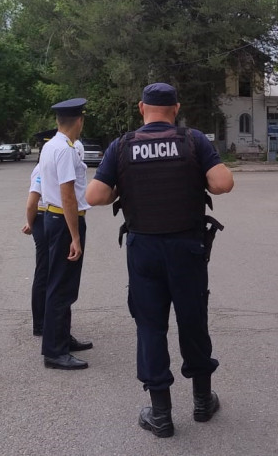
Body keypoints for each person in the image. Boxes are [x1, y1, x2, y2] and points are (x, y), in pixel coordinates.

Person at [86, 83, 234, 439]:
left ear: (142, 108)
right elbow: (223, 183)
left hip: (145, 249)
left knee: (150, 327)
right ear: (176, 108)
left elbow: (95, 195)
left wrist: (125, 183)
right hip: (187, 246)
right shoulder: (192, 140)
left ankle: (161, 414)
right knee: (193, 320)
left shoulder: (121, 146)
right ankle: (201, 401)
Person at [37, 98, 93, 370]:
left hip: (53, 218)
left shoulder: (51, 145)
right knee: (61, 287)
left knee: (61, 284)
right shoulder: (66, 150)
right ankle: (54, 352)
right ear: (79, 121)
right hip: (63, 221)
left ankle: (61, 338)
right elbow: (67, 194)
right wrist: (75, 236)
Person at [22, 129, 57, 338]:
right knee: (44, 271)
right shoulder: (41, 170)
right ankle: (40, 324)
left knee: (51, 270)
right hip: (44, 219)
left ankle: (49, 319)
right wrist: (31, 221)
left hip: (45, 218)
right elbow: (32, 202)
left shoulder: (46, 166)